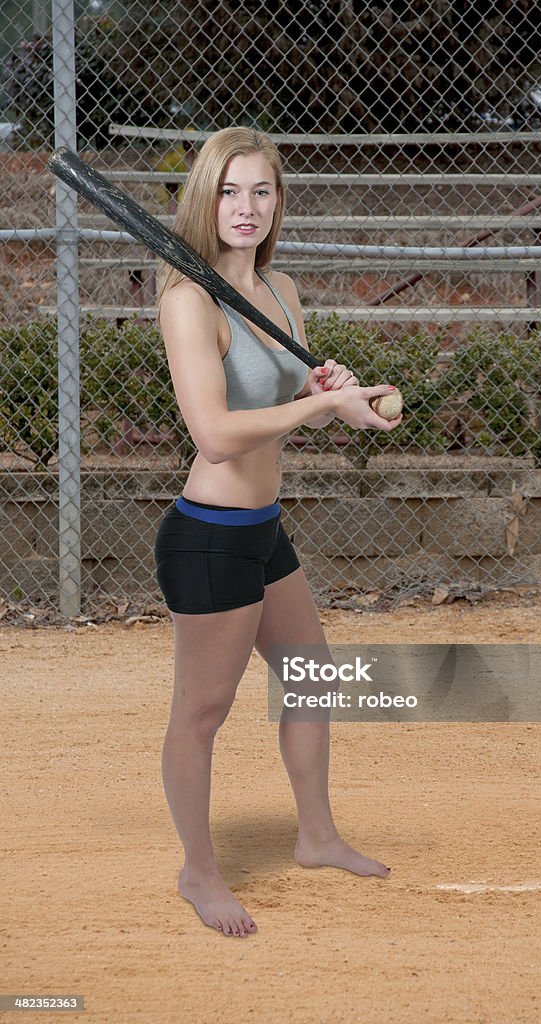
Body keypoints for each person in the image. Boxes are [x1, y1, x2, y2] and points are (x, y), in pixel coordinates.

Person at [153, 126, 402, 938]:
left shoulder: (280, 287)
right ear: (205, 199)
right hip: (211, 534)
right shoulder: (186, 300)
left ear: (279, 202)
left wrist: (332, 389)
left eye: (261, 191)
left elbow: (281, 395)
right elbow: (218, 435)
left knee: (312, 675)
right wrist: (317, 404)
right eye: (229, 190)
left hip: (261, 526)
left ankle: (316, 836)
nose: (246, 207)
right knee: (204, 709)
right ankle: (198, 871)